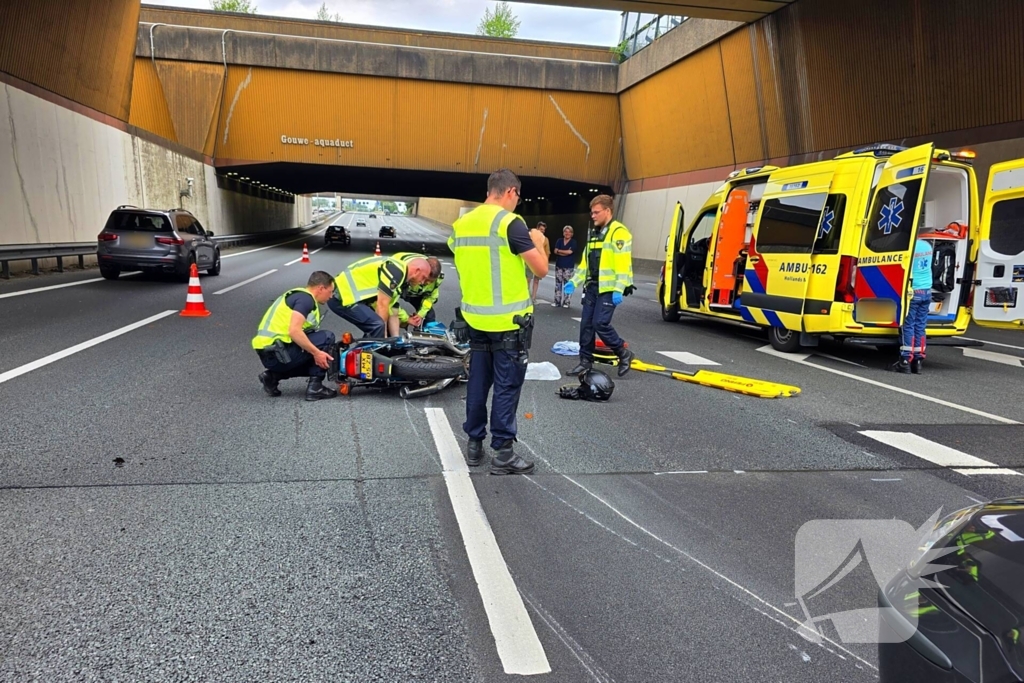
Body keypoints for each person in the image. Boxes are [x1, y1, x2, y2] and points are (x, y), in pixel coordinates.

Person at [448, 169, 548, 475]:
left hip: (475, 318)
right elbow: (541, 270)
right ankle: (503, 453)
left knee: (478, 382)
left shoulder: (461, 225)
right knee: (507, 386)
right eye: (518, 197)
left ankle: (474, 444)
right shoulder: (510, 224)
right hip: (508, 322)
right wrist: (537, 241)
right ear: (511, 192)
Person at [565, 194, 635, 377]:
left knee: (600, 323)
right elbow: (585, 263)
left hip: (609, 288)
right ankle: (585, 362)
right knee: (586, 325)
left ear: (608, 211)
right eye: (591, 212)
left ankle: (623, 353)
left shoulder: (618, 233)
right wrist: (574, 281)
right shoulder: (594, 234)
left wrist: (619, 288)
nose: (593, 216)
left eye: (596, 212)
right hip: (593, 287)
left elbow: (622, 264)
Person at [252, 271, 338, 401]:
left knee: (317, 355)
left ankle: (272, 376)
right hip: (280, 354)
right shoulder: (306, 299)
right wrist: (316, 353)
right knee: (326, 338)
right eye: (330, 291)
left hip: (270, 354)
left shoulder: (297, 295)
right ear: (321, 288)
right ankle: (315, 388)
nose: (331, 296)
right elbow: (294, 331)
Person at [328, 254, 436, 338]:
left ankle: (363, 358)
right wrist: (383, 339)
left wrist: (407, 319)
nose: (422, 282)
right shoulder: (396, 272)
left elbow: (391, 306)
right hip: (342, 296)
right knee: (377, 326)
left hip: (349, 297)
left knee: (375, 330)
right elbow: (382, 305)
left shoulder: (401, 275)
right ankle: (364, 361)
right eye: (423, 278)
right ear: (417, 271)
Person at [890, 237, 933, 374]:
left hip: (913, 291)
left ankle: (905, 361)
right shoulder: (927, 246)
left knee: (908, 326)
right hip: (926, 290)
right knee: (920, 326)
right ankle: (918, 360)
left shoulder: (909, 246)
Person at [392, 252, 444, 328]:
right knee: (390, 313)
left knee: (429, 315)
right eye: (425, 279)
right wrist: (406, 319)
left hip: (415, 292)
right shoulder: (402, 271)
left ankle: (427, 335)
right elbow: (390, 303)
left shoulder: (437, 279)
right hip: (399, 286)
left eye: (431, 281)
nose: (426, 283)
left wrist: (420, 315)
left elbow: (430, 299)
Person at [552, 225, 577, 308]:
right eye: (565, 231)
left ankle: (566, 302)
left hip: (568, 267)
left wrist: (560, 251)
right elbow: (555, 251)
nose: (567, 233)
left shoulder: (573, 242)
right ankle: (557, 302)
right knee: (558, 284)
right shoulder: (559, 241)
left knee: (567, 284)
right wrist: (563, 252)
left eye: (569, 232)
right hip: (559, 265)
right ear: (563, 233)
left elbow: (570, 252)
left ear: (572, 234)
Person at [527, 221, 550, 303]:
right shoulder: (531, 237)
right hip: (530, 260)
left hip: (539, 261)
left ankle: (533, 297)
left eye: (544, 230)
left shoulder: (545, 239)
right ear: (537, 229)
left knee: (536, 280)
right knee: (528, 279)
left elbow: (547, 252)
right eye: (541, 229)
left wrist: (545, 263)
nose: (542, 231)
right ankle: (527, 296)